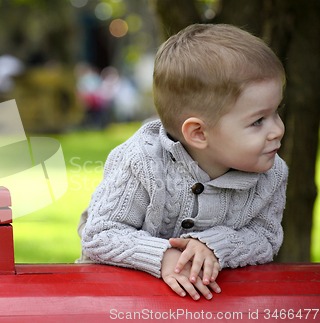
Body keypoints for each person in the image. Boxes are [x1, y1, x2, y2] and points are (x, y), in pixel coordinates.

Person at [77, 24, 288, 301]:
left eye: (276, 112)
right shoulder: (141, 161)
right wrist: (165, 257)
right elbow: (100, 234)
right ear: (199, 133)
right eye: (258, 121)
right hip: (121, 300)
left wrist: (213, 246)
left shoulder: (271, 172)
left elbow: (265, 237)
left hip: (217, 303)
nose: (278, 130)